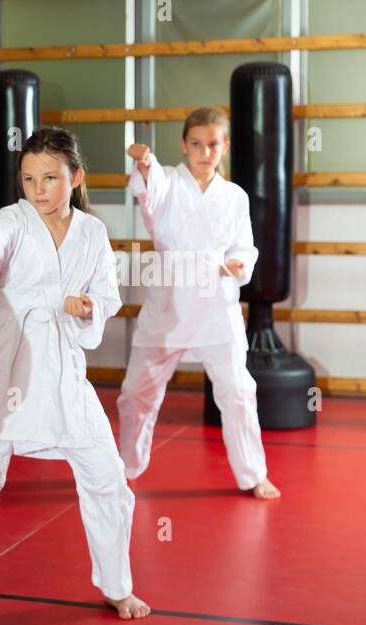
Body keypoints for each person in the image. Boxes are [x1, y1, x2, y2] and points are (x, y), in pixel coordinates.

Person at [0, 127, 151, 620]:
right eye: (29, 178)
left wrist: (87, 308)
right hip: (4, 356)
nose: (37, 189)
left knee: (106, 476)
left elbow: (107, 294)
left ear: (75, 177)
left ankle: (117, 584)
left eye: (50, 178)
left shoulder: (93, 232)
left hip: (60, 364)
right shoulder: (13, 219)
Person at [119, 108, 279, 499]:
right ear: (183, 145)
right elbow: (149, 186)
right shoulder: (168, 182)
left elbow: (244, 246)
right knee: (137, 391)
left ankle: (253, 473)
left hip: (215, 304)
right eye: (196, 143)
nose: (204, 151)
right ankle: (125, 467)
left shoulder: (235, 196)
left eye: (213, 144)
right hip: (170, 299)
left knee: (238, 391)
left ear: (224, 146)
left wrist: (240, 263)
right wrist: (145, 162)